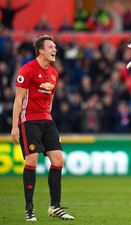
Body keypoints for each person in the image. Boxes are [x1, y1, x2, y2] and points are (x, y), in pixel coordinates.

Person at [11, 35, 74, 221]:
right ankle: (29, 209)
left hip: (47, 120)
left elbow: (51, 99)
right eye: (51, 47)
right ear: (41, 50)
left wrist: (49, 118)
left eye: (55, 47)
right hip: (28, 119)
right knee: (31, 161)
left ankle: (55, 207)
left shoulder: (54, 73)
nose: (55, 49)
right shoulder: (27, 69)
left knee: (58, 159)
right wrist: (15, 126)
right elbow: (18, 99)